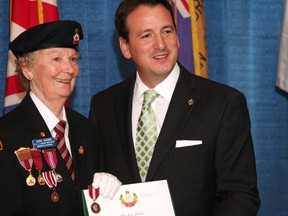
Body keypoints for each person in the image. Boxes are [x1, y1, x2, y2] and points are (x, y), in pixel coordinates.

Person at [89, 1, 260, 215]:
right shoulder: (103, 106)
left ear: (178, 37)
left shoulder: (223, 103)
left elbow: (240, 195)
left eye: (167, 31)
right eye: (146, 35)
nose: (160, 44)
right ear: (125, 47)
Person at [0, 20, 121, 216]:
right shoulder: (6, 136)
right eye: (56, 59)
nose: (70, 69)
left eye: (73, 59)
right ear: (26, 68)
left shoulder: (87, 131)